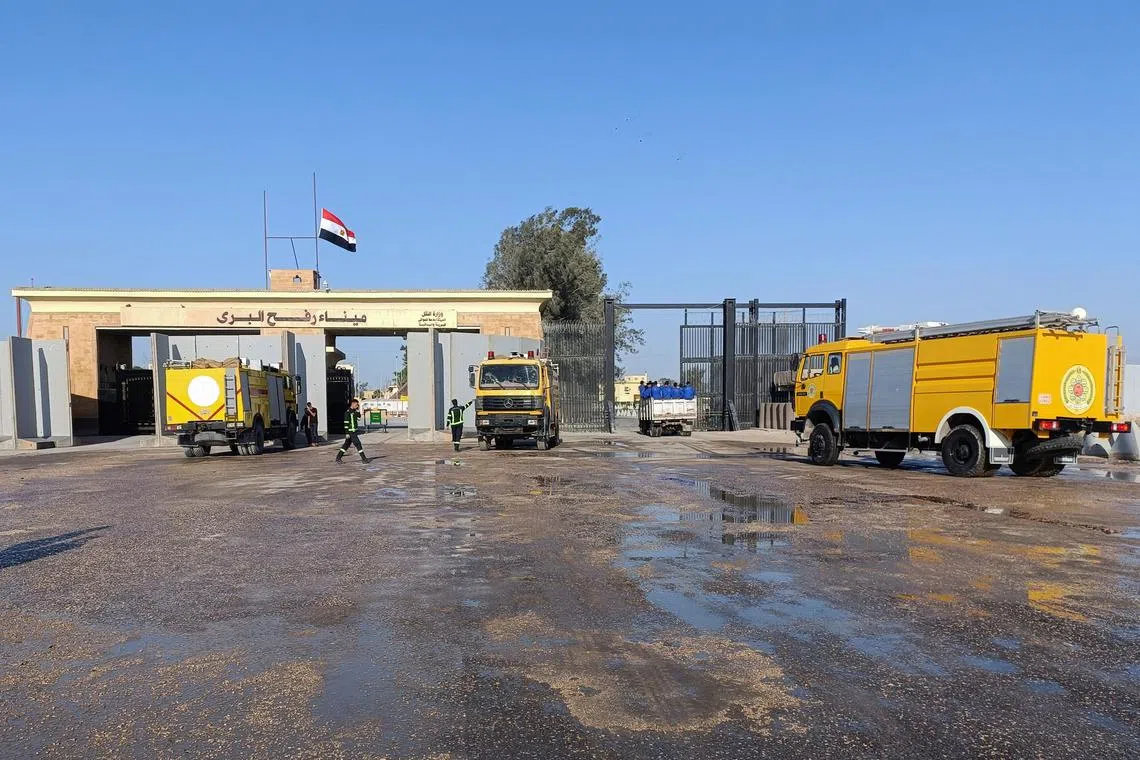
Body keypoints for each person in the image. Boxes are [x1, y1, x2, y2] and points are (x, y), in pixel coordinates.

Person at [335, 398, 369, 464]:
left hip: (354, 431)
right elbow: (346, 423)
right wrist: (347, 433)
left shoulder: (355, 411)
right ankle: (364, 459)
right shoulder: (347, 412)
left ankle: (338, 458)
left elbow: (359, 418)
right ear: (353, 404)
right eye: (356, 405)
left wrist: (358, 410)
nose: (357, 406)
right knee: (358, 444)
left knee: (346, 445)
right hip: (351, 432)